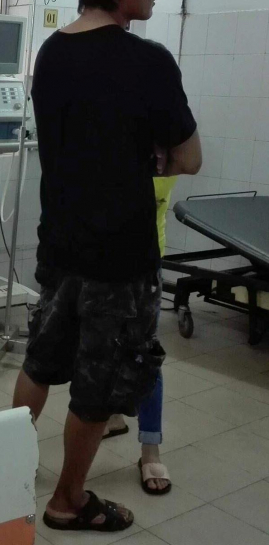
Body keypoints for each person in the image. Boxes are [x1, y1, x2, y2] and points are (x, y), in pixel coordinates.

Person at [11, 0, 201, 532]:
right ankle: (69, 501)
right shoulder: (148, 62)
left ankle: (6, 473)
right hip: (119, 260)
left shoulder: (51, 53)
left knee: (41, 362)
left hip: (59, 246)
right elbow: (190, 157)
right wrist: (152, 154)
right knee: (97, 386)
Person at [104, 176, 178, 495]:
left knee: (145, 355)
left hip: (144, 262)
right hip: (100, 259)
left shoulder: (160, 155)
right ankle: (112, 416)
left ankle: (150, 449)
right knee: (104, 349)